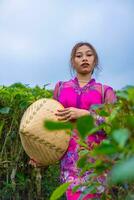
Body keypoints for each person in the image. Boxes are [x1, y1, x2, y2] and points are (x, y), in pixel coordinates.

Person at [53, 42, 117, 200]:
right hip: (69, 163)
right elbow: (51, 122)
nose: (84, 58)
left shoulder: (105, 91)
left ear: (95, 60)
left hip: (97, 164)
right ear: (72, 62)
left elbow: (114, 125)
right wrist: (40, 152)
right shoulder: (61, 88)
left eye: (89, 55)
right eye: (79, 55)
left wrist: (84, 114)